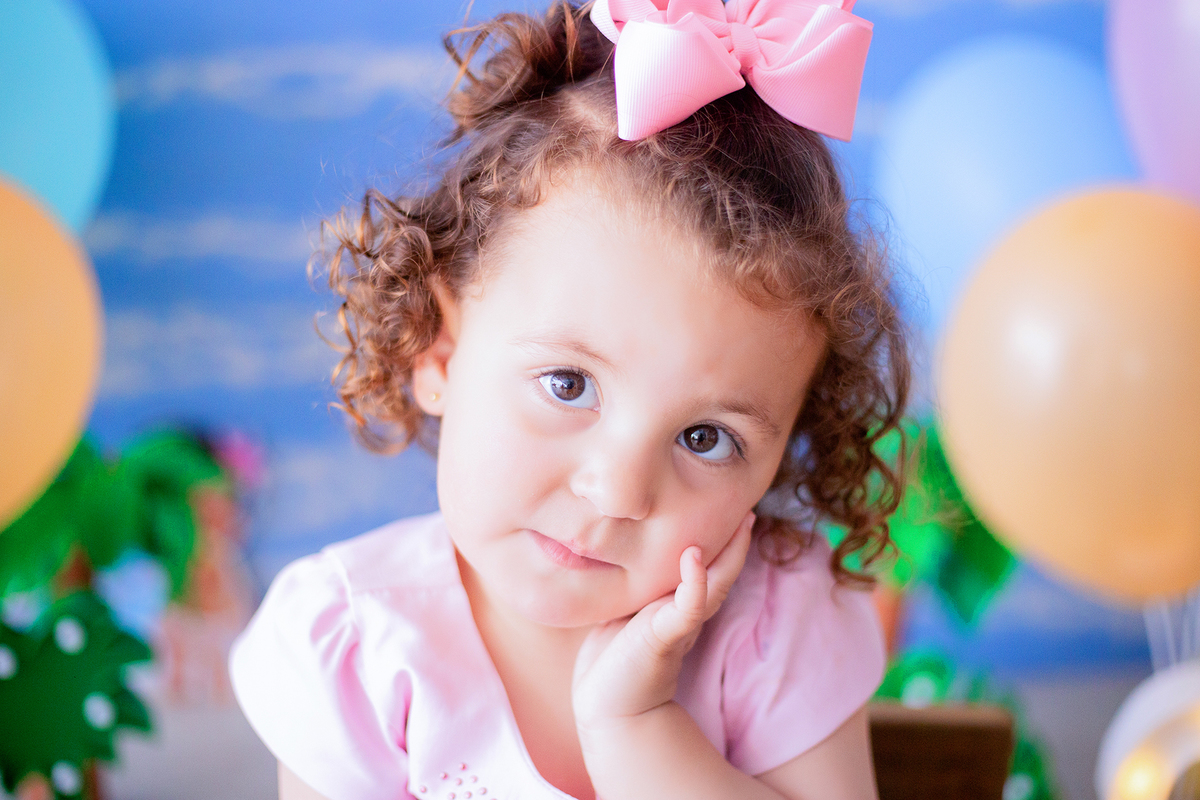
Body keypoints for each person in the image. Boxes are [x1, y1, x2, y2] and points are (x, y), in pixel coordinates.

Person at [230, 2, 911, 798]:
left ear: (785, 452)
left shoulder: (777, 630)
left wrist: (637, 728)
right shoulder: (359, 647)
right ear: (439, 350)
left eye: (705, 438)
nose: (618, 491)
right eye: (569, 385)